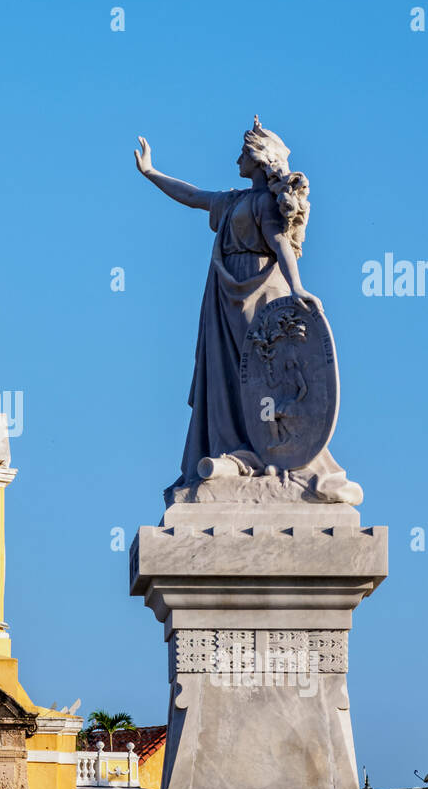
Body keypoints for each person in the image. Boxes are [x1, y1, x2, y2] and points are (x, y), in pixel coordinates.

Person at [134, 118, 360, 504]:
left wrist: (298, 287)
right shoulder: (232, 200)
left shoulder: (263, 203)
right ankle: (235, 447)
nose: (237, 158)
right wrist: (151, 172)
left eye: (243, 152)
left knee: (262, 374)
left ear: (259, 159)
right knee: (228, 374)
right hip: (226, 293)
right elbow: (191, 196)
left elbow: (280, 245)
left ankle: (281, 452)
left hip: (260, 289)